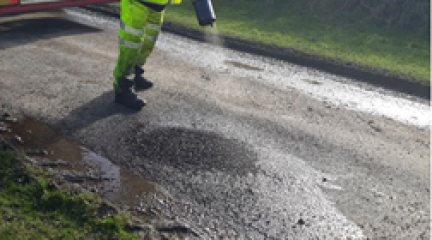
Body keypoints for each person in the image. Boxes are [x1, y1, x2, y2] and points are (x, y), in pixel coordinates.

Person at [113, 0, 182, 110]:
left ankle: (136, 72)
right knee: (131, 44)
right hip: (136, 3)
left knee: (148, 42)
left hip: (158, 5)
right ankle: (123, 88)